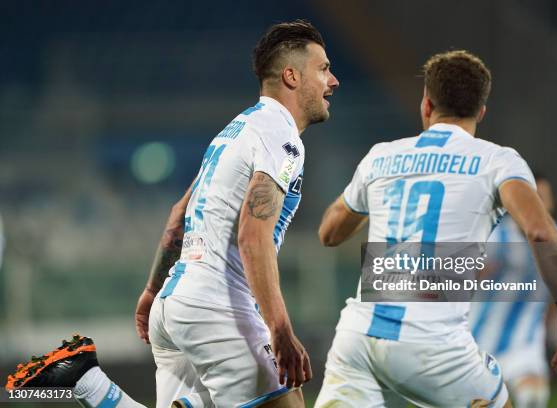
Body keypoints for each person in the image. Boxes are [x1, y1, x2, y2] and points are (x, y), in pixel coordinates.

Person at [6, 19, 339, 408]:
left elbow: (178, 216)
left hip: (175, 304)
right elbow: (252, 236)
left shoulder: (234, 131)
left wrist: (153, 291)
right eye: (324, 69)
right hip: (219, 307)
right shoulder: (281, 139)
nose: (332, 81)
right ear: (291, 76)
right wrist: (280, 328)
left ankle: (88, 383)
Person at [314, 50, 557, 408]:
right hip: (432, 346)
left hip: (358, 337)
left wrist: (379, 192)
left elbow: (329, 233)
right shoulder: (497, 160)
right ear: (481, 112)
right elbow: (540, 232)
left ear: (426, 104)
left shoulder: (380, 156)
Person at [470, 174, 557, 408]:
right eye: (530, 198)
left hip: (524, 349)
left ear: (552, 202)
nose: (536, 205)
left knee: (533, 397)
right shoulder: (492, 235)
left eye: (542, 198)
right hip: (477, 345)